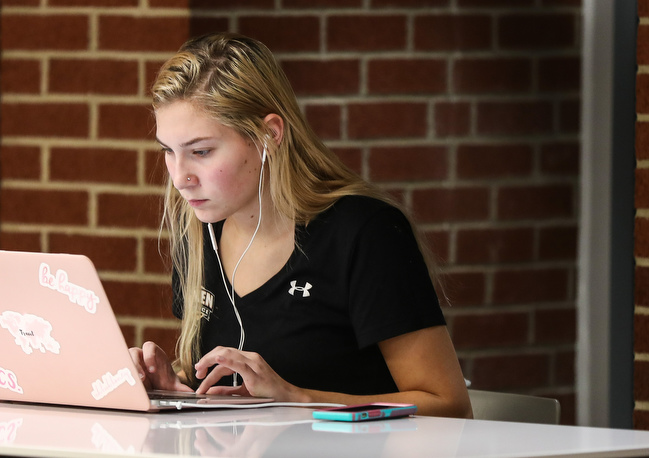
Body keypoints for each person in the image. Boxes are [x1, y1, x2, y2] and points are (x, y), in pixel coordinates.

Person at [129, 32, 473, 418]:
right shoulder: (196, 229)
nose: (180, 178)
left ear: (269, 135)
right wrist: (177, 390)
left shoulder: (365, 232)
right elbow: (223, 396)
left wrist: (295, 396)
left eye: (201, 152)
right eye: (168, 152)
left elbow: (451, 408)